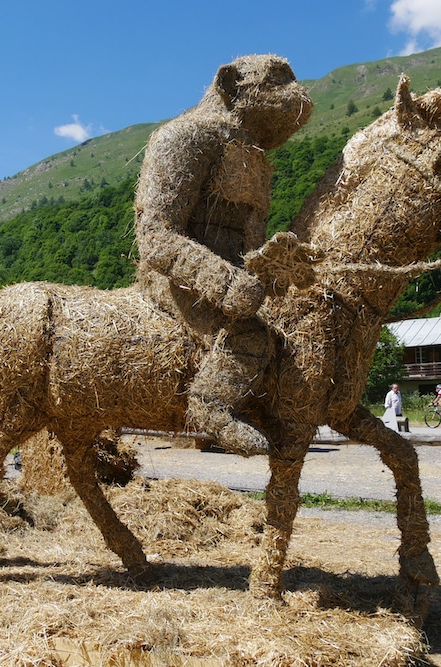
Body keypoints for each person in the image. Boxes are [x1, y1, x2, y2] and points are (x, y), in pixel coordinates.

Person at [133, 54, 314, 456]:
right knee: (247, 333)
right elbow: (156, 236)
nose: (295, 94)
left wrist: (277, 265)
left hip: (235, 282)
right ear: (232, 85)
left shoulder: (254, 160)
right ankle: (209, 406)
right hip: (179, 278)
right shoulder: (185, 136)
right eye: (277, 82)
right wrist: (223, 280)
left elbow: (253, 244)